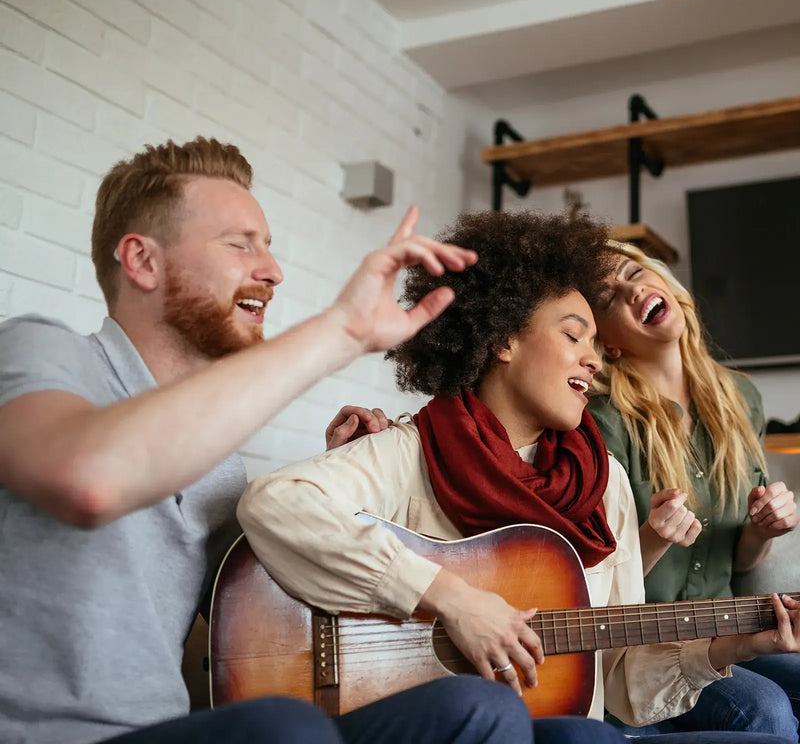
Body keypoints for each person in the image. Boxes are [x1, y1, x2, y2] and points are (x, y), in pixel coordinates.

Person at [0, 136, 545, 744]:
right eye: (241, 245)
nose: (273, 271)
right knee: (287, 727)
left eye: (268, 246)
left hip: (169, 734)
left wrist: (345, 489)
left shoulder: (219, 465)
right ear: (142, 261)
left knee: (483, 712)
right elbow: (88, 480)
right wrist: (341, 332)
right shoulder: (41, 350)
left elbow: (263, 612)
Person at [238, 210, 800, 744]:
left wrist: (736, 646)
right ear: (504, 340)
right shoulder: (414, 448)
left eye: (595, 345)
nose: (594, 361)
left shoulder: (606, 484)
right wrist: (454, 601)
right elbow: (275, 502)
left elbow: (620, 680)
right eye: (574, 336)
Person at [587, 239, 800, 739]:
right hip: (643, 645)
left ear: (664, 282)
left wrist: (764, 529)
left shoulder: (740, 396)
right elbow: (596, 585)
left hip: (730, 625)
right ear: (608, 344)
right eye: (610, 297)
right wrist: (653, 536)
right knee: (764, 709)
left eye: (633, 272)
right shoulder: (601, 419)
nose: (632, 290)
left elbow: (740, 562)